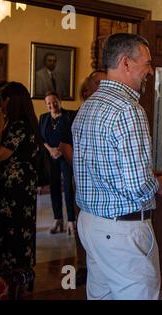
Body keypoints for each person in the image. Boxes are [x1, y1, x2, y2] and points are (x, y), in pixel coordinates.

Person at [72, 33, 162, 300]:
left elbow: (102, 168)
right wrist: (159, 184)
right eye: (147, 63)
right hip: (121, 231)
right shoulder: (128, 110)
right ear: (126, 63)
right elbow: (138, 186)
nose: (150, 70)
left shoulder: (88, 106)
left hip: (91, 224)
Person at [58, 69, 107, 286]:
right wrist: (85, 168)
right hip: (84, 182)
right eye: (98, 83)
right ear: (87, 90)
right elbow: (65, 146)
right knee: (83, 224)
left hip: (106, 185)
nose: (103, 87)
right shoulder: (76, 115)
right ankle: (84, 266)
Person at [0, 82, 41, 273]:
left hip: (16, 183)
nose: (1, 105)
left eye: (3, 100)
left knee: (15, 225)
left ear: (10, 101)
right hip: (23, 181)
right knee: (21, 224)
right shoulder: (26, 123)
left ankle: (16, 270)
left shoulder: (18, 126)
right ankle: (20, 268)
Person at [39, 92, 76, 235]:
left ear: (59, 101)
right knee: (54, 186)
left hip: (65, 155)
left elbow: (74, 136)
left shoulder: (69, 116)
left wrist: (61, 149)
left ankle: (71, 220)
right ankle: (58, 219)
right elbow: (41, 138)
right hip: (51, 156)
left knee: (68, 187)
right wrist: (50, 150)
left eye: (54, 102)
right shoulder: (43, 118)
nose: (52, 105)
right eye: (48, 103)